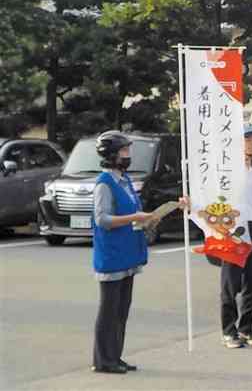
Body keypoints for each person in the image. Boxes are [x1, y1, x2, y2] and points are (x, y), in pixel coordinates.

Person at [182, 122, 252, 349]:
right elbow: (208, 196)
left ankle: (247, 329)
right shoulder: (224, 170)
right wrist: (191, 203)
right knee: (230, 284)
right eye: (248, 139)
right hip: (232, 228)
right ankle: (228, 331)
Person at [91, 130, 153, 375]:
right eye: (124, 151)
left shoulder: (124, 180)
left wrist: (146, 219)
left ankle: (115, 356)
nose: (128, 155)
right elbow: (102, 219)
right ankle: (103, 360)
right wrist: (134, 218)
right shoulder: (104, 184)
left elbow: (132, 213)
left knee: (121, 309)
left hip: (127, 253)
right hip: (112, 255)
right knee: (109, 310)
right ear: (112, 155)